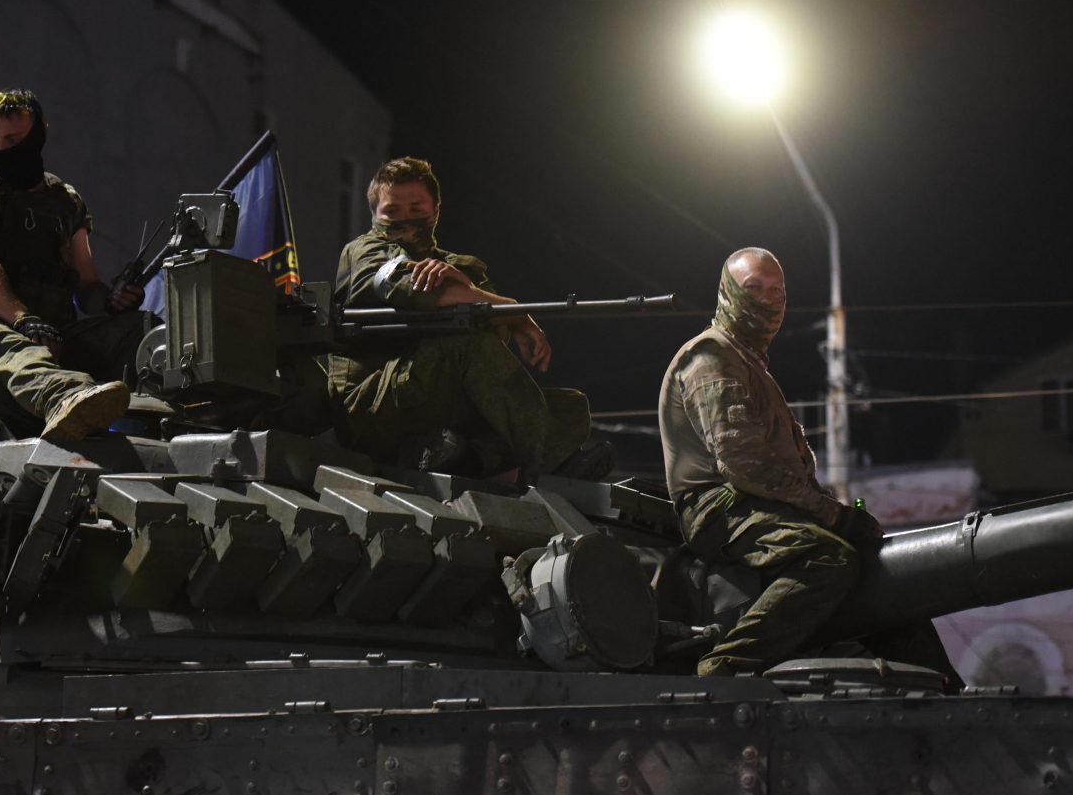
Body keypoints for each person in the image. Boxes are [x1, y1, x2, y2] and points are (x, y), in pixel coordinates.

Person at [658, 247, 882, 677]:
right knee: (827, 559)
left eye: (777, 291)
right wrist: (833, 516)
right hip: (717, 507)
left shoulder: (750, 365)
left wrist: (842, 517)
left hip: (752, 502)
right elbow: (745, 465)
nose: (767, 300)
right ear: (727, 293)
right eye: (753, 289)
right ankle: (724, 667)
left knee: (869, 563)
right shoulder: (712, 357)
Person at [328, 157, 611, 480]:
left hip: (434, 398)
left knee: (570, 409)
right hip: (373, 408)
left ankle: (460, 456)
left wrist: (484, 300)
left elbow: (493, 341)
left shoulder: (455, 266)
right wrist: (513, 310)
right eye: (392, 211)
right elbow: (406, 286)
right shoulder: (364, 250)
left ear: (435, 209)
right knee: (466, 345)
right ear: (375, 214)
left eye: (416, 209)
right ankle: (553, 465)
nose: (405, 220)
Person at [0, 89, 148, 441]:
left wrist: (111, 301)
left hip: (51, 331)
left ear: (39, 133)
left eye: (13, 139)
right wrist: (22, 318)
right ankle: (65, 399)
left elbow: (87, 285)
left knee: (141, 331)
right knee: (20, 352)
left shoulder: (65, 202)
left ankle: (159, 413)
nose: (2, 148)